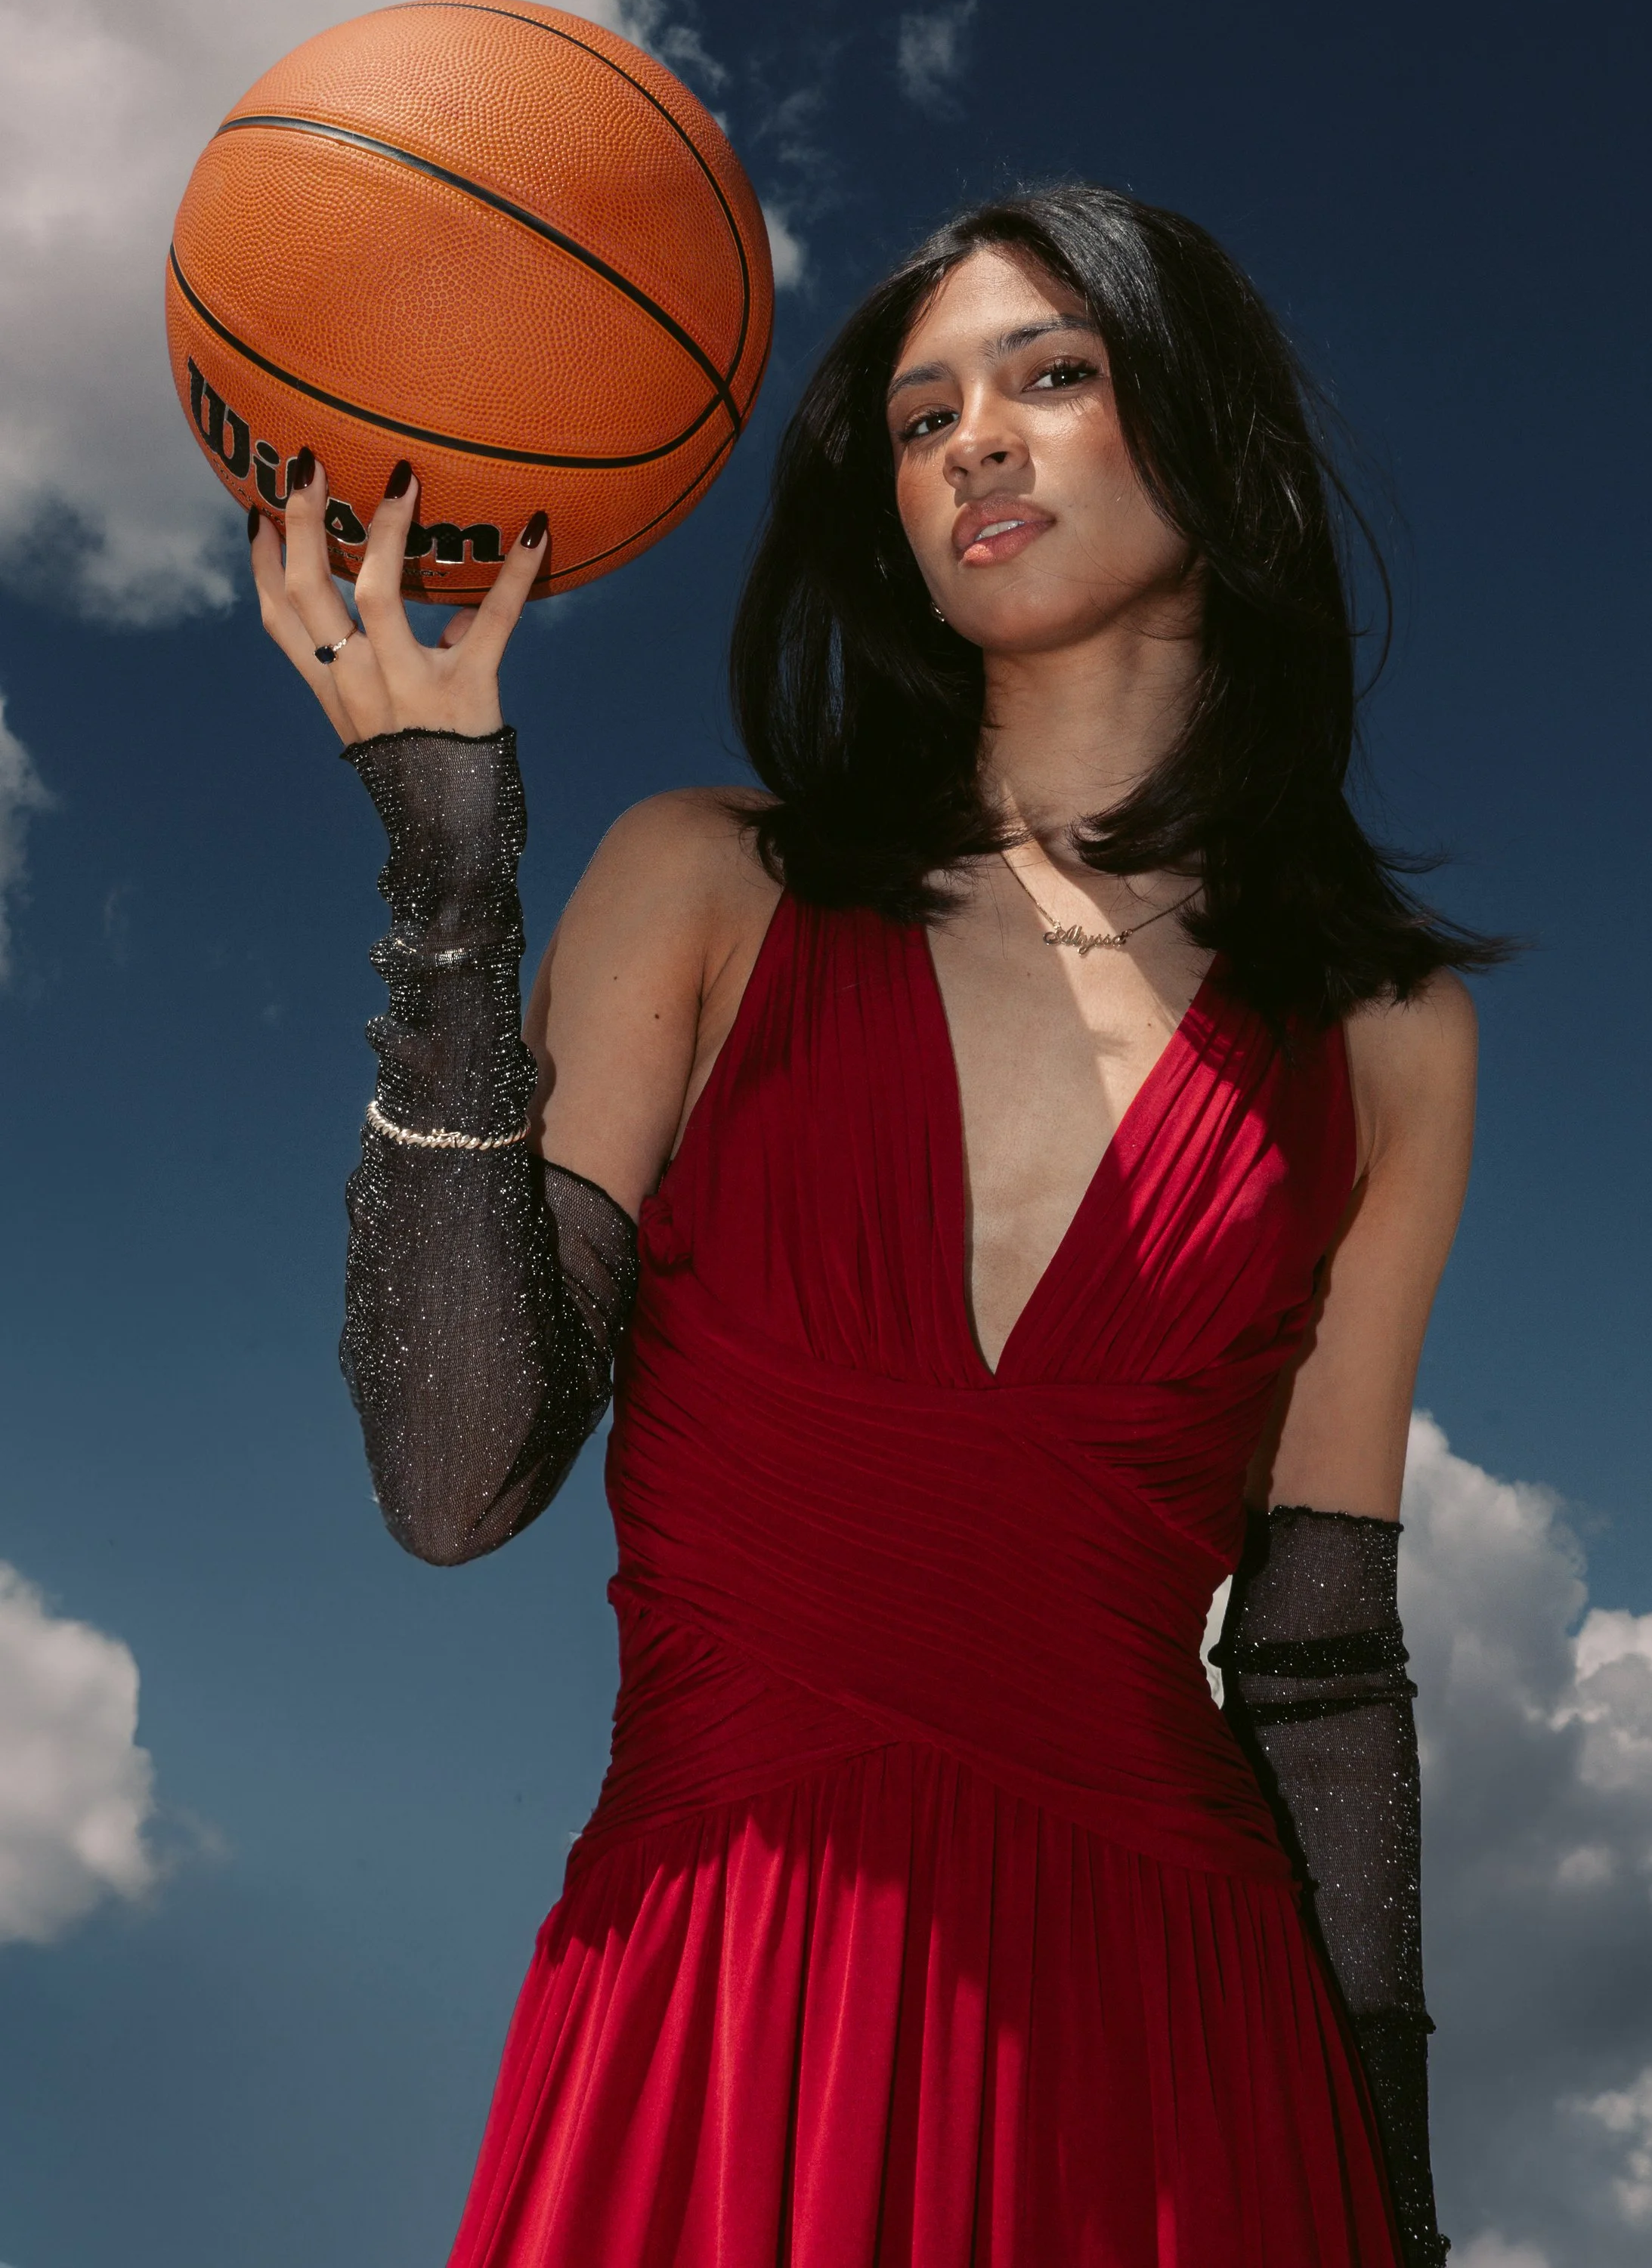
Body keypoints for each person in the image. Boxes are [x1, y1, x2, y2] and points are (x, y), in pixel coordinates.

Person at [252, 185, 1493, 2268]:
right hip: (720, 2012)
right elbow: (455, 1475)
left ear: (1208, 439)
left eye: (1051, 374)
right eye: (920, 418)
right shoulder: (708, 884)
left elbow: (1316, 1664)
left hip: (1184, 2065)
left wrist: (1393, 2211)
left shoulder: (1386, 1039)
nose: (973, 444)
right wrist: (448, 872)